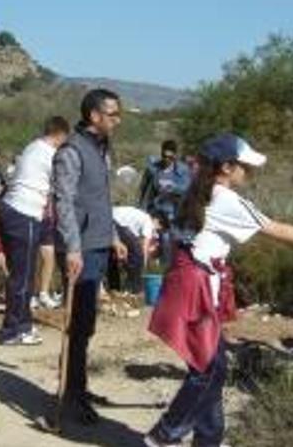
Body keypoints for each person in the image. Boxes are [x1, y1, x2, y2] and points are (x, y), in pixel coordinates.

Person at [144, 134, 293, 446]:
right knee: (208, 370)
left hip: (189, 283)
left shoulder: (198, 191)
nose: (249, 172)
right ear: (227, 167)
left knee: (211, 367)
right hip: (196, 288)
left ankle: (208, 438)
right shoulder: (225, 199)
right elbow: (276, 229)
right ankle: (163, 435)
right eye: (245, 166)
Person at [53, 88, 128, 425]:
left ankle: (77, 387)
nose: (118, 119)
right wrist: (71, 247)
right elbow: (63, 201)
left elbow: (101, 198)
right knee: (78, 324)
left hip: (97, 245)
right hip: (78, 250)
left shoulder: (102, 149)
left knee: (86, 324)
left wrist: (113, 236)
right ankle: (72, 395)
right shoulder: (71, 151)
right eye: (112, 114)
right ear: (94, 116)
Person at [0, 116, 70, 345]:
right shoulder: (49, 154)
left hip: (13, 211)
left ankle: (21, 324)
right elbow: (62, 186)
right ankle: (14, 330)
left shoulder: (32, 147)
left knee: (22, 273)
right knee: (23, 275)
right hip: (24, 213)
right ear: (59, 134)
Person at [138, 140, 190, 269]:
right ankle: (151, 273)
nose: (167, 160)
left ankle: (169, 271)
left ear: (175, 156)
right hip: (156, 213)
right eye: (164, 156)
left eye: (170, 157)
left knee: (171, 242)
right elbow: (144, 192)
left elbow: (188, 191)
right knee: (152, 243)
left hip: (175, 214)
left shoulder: (183, 171)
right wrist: (142, 214)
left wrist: (173, 188)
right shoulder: (153, 169)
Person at [109, 205, 160, 295]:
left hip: (109, 218)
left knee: (113, 258)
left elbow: (134, 242)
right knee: (138, 255)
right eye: (158, 228)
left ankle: (115, 288)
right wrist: (143, 265)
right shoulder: (148, 221)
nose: (155, 231)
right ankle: (136, 290)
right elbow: (144, 246)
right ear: (156, 221)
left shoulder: (139, 219)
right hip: (116, 222)